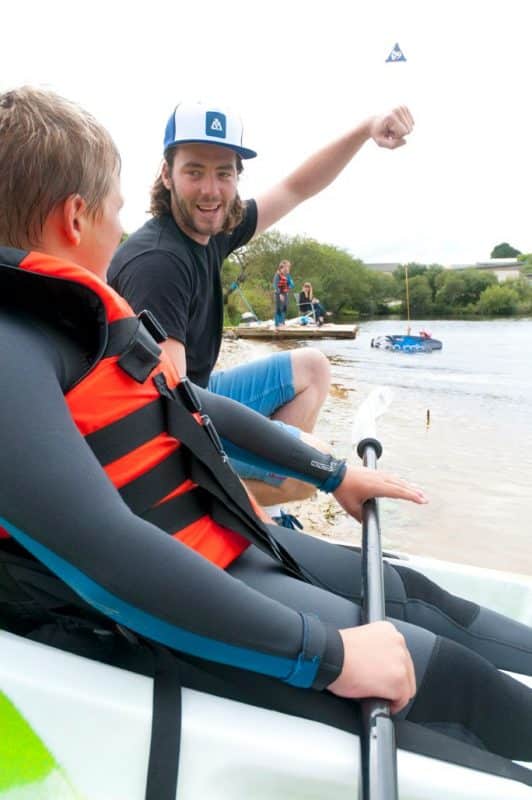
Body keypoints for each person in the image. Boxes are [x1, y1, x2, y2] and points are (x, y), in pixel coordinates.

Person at [4, 89, 532, 774]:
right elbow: (103, 550)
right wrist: (329, 654)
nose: (123, 226)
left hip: (224, 542)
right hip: (180, 606)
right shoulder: (14, 347)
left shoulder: (71, 321)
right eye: (115, 209)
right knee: (454, 696)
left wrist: (335, 475)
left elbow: (188, 403)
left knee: (421, 606)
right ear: (76, 218)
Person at [108, 101, 414, 508]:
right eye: (194, 171)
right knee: (307, 470)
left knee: (313, 368)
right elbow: (175, 410)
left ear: (237, 176)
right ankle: (214, 506)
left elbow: (295, 188)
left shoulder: (209, 230)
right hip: (158, 430)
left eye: (223, 173)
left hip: (197, 392)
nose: (210, 190)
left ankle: (257, 486)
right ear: (167, 174)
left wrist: (364, 129)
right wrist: (322, 468)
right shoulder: (160, 263)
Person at [273, 259, 295, 327]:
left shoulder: (287, 275)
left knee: (284, 307)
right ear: (282, 267)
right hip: (278, 293)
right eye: (287, 267)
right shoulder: (277, 275)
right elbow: (275, 285)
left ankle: (282, 322)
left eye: (288, 267)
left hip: (285, 293)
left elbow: (291, 284)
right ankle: (278, 323)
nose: (288, 268)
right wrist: (279, 294)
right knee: (279, 308)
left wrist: (289, 287)